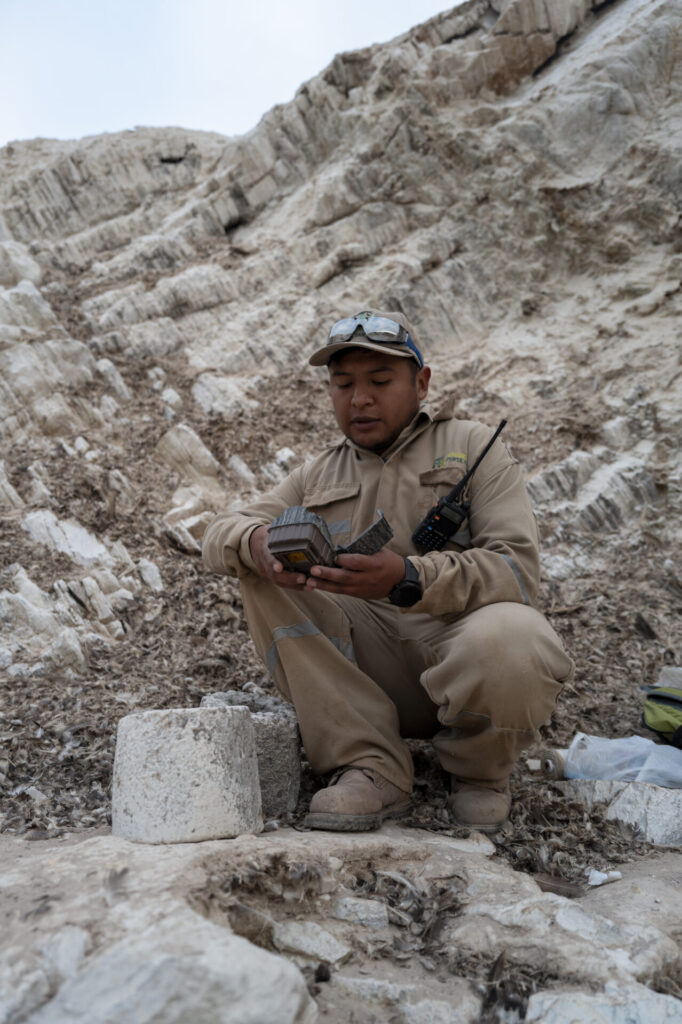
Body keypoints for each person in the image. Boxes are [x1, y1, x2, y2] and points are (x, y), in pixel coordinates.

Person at [202, 310, 573, 832]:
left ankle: (478, 773)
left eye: (379, 381)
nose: (359, 399)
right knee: (258, 571)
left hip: (459, 654)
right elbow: (220, 532)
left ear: (421, 383)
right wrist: (256, 541)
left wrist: (408, 577)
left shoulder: (473, 448)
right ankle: (371, 765)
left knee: (517, 635)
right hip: (365, 669)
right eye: (343, 384)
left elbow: (515, 570)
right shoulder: (317, 472)